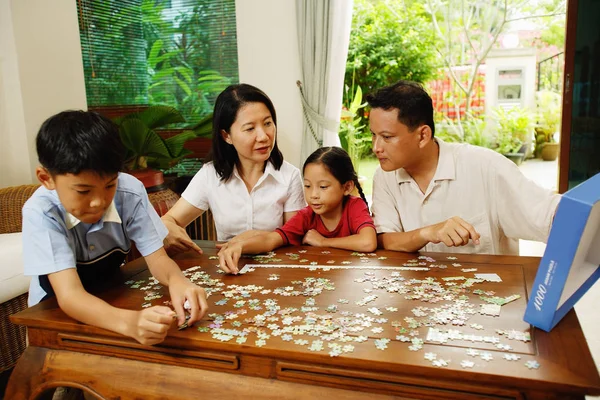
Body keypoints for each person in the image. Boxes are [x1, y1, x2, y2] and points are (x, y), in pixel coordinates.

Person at [22, 110, 208, 346]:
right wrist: (130, 323)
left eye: (110, 185)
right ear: (46, 178)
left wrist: (178, 281)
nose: (99, 201)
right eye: (83, 191)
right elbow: (69, 296)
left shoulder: (130, 192)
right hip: (54, 310)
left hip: (111, 298)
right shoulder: (40, 212)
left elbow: (158, 260)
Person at [367, 80, 561, 255]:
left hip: (488, 291)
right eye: (373, 135)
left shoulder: (487, 167)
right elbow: (385, 238)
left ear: (423, 136)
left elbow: (552, 217)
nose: (376, 147)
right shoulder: (385, 176)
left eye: (387, 137)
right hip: (414, 291)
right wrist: (428, 232)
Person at [161, 84, 306, 254]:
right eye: (250, 128)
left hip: (278, 268)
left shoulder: (290, 176)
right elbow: (170, 220)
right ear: (226, 136)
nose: (263, 136)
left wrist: (254, 237)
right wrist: (168, 227)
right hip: (228, 269)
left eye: (267, 123)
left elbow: (294, 236)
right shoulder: (210, 174)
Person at [218, 146, 377, 274]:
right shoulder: (306, 216)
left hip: (355, 277)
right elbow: (271, 239)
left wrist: (323, 242)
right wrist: (240, 246)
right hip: (319, 279)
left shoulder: (354, 206)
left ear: (347, 187)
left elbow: (368, 242)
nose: (313, 195)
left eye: (323, 187)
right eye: (307, 186)